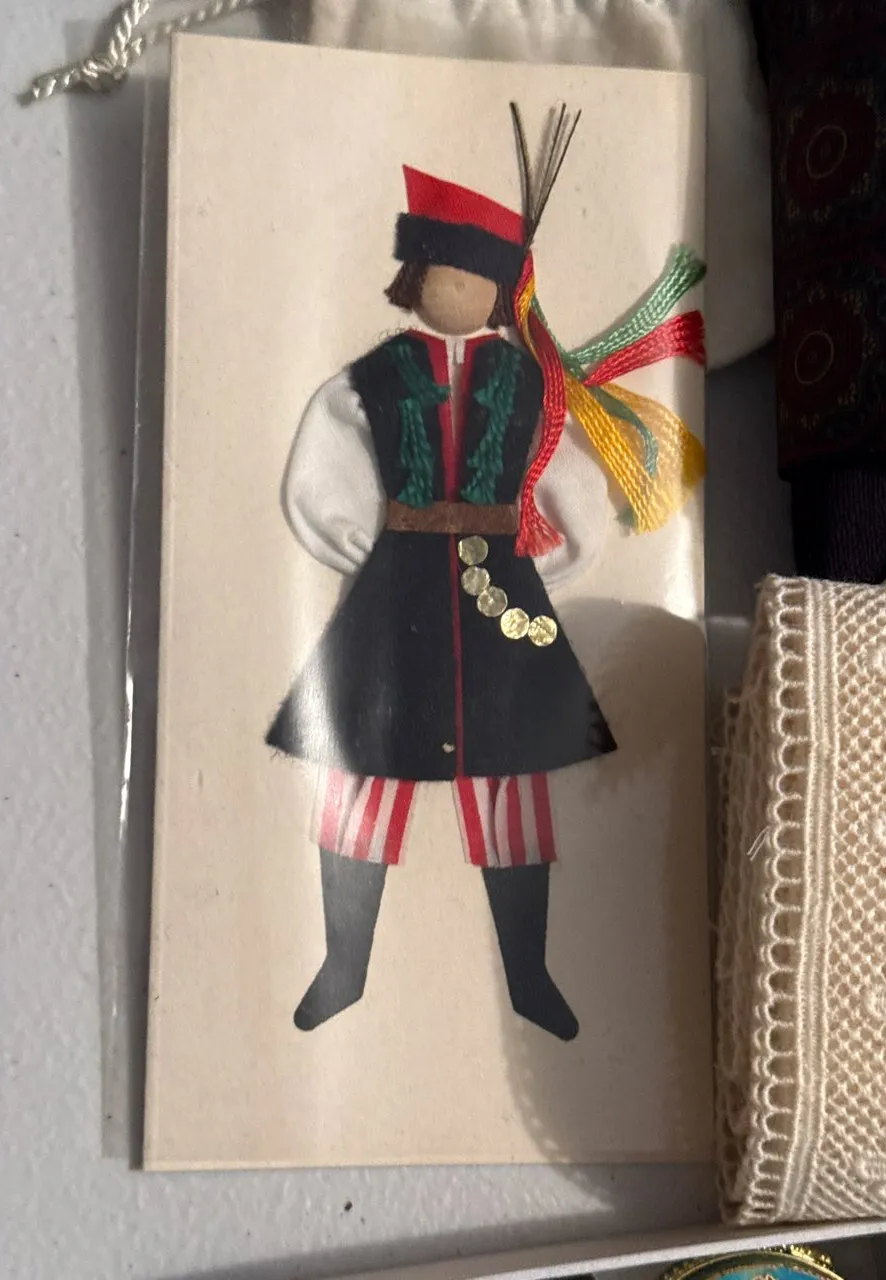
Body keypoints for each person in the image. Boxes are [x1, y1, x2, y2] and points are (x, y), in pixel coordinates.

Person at [266, 163, 616, 1042]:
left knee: (514, 780)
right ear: (415, 276)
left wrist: (547, 558)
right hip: (396, 594)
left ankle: (530, 976)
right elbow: (321, 469)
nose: (458, 289)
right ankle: (343, 966)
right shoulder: (375, 375)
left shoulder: (532, 383)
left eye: (477, 275)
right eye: (444, 271)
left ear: (501, 290)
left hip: (502, 596)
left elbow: (568, 475)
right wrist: (372, 548)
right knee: (358, 766)